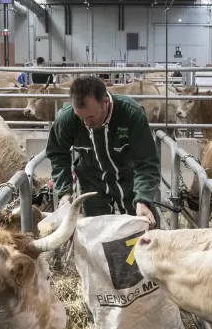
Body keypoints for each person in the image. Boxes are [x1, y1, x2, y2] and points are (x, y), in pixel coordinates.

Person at [47, 76, 162, 227]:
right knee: (96, 229)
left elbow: (147, 161)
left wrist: (143, 199)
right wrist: (64, 192)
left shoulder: (130, 114)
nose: (86, 123)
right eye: (80, 117)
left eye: (91, 116)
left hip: (130, 179)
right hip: (92, 181)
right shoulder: (67, 119)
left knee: (141, 227)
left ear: (105, 103)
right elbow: (57, 152)